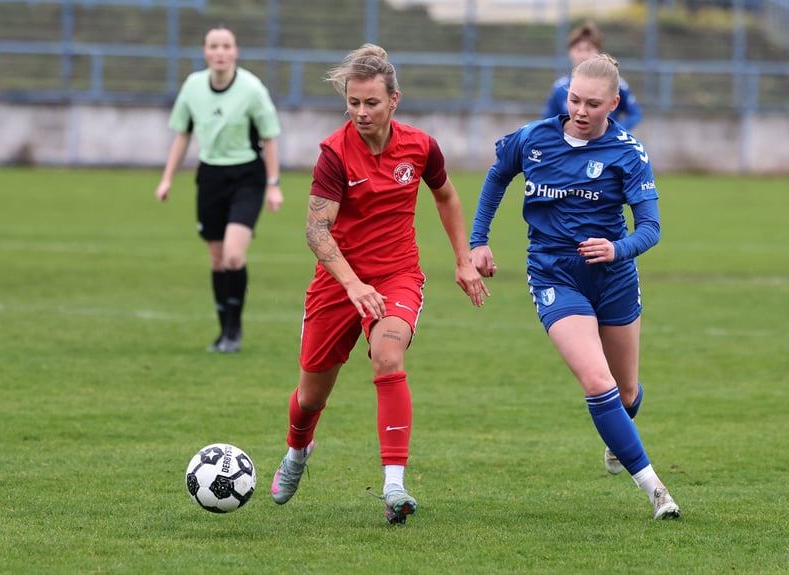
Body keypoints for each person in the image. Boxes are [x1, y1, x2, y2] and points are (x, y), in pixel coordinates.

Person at [270, 44, 488, 525]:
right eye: (353, 103)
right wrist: (350, 285)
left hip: (398, 276)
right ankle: (297, 453)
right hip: (338, 283)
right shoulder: (334, 153)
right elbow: (315, 230)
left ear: (394, 100)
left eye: (371, 103)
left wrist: (463, 259)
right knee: (311, 397)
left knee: (388, 355)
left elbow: (447, 195)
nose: (362, 113)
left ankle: (394, 486)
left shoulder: (420, 146)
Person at [471, 54, 680, 520]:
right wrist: (478, 240)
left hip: (614, 277)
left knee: (625, 393)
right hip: (553, 273)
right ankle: (656, 490)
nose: (580, 111)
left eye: (591, 103)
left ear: (613, 104)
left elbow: (651, 227)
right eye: (574, 100)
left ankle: (618, 434)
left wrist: (617, 249)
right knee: (596, 379)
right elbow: (497, 175)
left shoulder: (629, 151)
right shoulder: (534, 138)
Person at [154, 26, 283, 353]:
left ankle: (234, 331)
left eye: (226, 45)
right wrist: (167, 177)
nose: (220, 52)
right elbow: (182, 134)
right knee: (216, 259)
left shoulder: (252, 89)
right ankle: (223, 331)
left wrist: (273, 184)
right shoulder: (193, 87)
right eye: (214, 46)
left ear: (235, 51)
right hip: (210, 177)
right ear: (205, 51)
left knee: (233, 255)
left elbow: (269, 137)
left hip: (247, 178)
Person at [542, 20, 643, 131]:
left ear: (598, 51)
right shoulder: (560, 87)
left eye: (589, 50)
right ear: (570, 52)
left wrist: (614, 133)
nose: (583, 55)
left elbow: (635, 114)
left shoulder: (616, 84)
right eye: (579, 50)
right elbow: (548, 122)